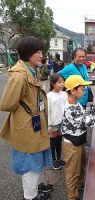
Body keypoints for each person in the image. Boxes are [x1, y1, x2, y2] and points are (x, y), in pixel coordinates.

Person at [0, 36, 53, 200]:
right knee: (30, 164)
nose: (41, 54)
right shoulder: (20, 76)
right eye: (38, 51)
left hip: (33, 124)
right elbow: (6, 104)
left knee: (35, 161)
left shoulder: (32, 69)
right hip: (27, 126)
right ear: (28, 53)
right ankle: (30, 197)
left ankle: (33, 192)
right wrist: (26, 111)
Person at [61, 75, 95, 200]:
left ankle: (81, 186)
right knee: (72, 172)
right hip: (72, 145)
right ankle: (72, 197)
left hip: (77, 142)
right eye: (82, 89)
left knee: (80, 166)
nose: (85, 91)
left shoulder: (75, 104)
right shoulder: (70, 108)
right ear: (73, 91)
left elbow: (86, 115)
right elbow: (89, 122)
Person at [47, 73, 67, 170]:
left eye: (63, 82)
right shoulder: (49, 96)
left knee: (59, 141)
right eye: (59, 82)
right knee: (53, 142)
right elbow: (47, 112)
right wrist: (48, 125)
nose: (62, 84)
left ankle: (59, 158)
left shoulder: (64, 94)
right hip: (53, 122)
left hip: (62, 122)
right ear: (53, 83)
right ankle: (53, 160)